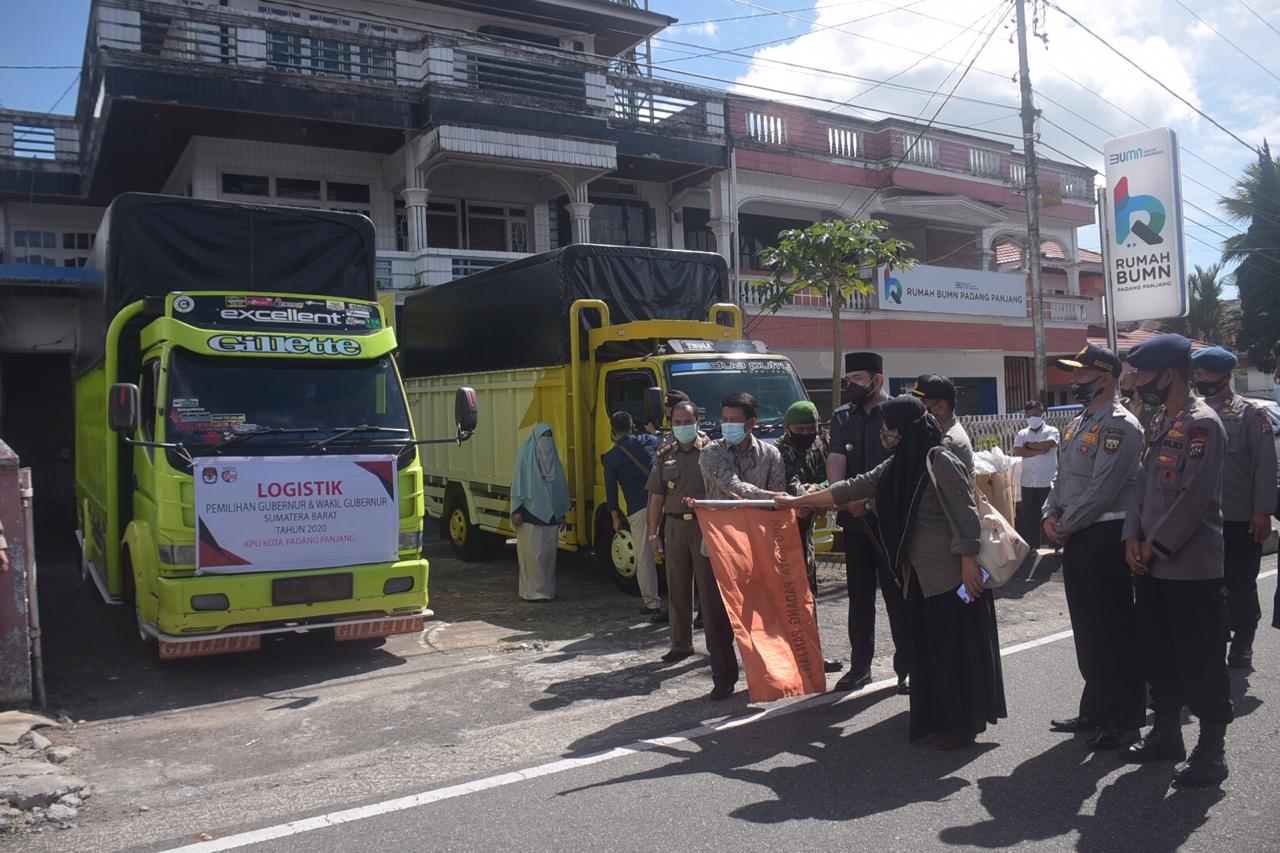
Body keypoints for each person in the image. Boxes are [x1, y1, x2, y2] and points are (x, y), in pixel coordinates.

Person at [779, 395, 1007, 750]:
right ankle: (940, 719)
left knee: (954, 652)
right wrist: (796, 501)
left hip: (952, 576)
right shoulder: (898, 463)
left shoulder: (939, 459)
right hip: (919, 576)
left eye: (889, 429)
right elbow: (851, 488)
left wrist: (967, 566)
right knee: (931, 651)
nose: (884, 434)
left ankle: (963, 725)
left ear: (906, 429)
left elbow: (966, 516)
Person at [1122, 333, 1232, 788]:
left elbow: (1193, 497)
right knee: (1158, 651)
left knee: (1201, 657)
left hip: (1189, 564)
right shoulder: (1157, 422)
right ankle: (1167, 732)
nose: (1138, 383)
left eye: (1144, 375)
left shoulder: (1203, 424)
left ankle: (1212, 749)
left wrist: (1155, 544)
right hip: (1150, 562)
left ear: (1169, 374)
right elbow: (1140, 484)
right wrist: (1131, 536)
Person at [1041, 343, 1146, 751]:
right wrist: (1049, 515)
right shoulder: (1078, 422)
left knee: (1115, 632)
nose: (1074, 381)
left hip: (1105, 535)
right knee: (1088, 630)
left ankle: (1125, 722)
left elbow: (1104, 488)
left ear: (1105, 379)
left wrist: (1065, 524)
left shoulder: (1121, 425)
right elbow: (1061, 479)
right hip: (1078, 535)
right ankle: (1096, 710)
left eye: (1082, 375)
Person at [696, 392, 787, 700]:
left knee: (760, 614)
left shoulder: (771, 454)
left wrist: (782, 499)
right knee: (717, 618)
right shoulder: (710, 453)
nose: (727, 425)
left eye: (734, 420)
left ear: (751, 423)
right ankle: (723, 678)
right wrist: (775, 499)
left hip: (757, 547)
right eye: (724, 419)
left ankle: (764, 674)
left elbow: (779, 491)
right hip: (718, 547)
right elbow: (733, 488)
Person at [828, 351, 908, 694]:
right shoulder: (842, 417)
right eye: (849, 380)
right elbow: (835, 459)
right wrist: (844, 499)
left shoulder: (898, 413)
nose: (852, 386)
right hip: (855, 523)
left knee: (898, 598)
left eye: (858, 379)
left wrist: (870, 502)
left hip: (890, 521)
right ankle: (860, 668)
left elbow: (905, 467)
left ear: (878, 379)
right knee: (859, 599)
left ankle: (908, 668)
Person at [1192, 346, 1277, 668]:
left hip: (1239, 516)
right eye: (1198, 374)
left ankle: (1243, 640)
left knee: (1240, 582)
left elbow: (1264, 466)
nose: (1200, 380)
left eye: (1206, 374)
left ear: (1225, 376)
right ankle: (1212, 638)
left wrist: (1263, 512)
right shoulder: (1194, 413)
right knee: (1205, 583)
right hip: (1200, 518)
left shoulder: (1251, 414)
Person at [775, 399, 842, 674]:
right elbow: (787, 485)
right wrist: (813, 494)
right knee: (784, 596)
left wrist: (815, 491)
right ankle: (785, 658)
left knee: (808, 594)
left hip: (806, 531)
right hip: (780, 533)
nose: (806, 435)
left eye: (811, 428)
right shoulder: (777, 451)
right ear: (787, 427)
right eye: (800, 430)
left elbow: (830, 477)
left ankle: (811, 655)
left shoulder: (820, 444)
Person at [646, 401, 709, 666]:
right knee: (677, 589)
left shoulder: (713, 452)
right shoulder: (664, 454)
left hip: (705, 526)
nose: (682, 427)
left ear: (698, 423)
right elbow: (657, 496)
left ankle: (718, 646)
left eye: (687, 422)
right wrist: (653, 534)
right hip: (674, 528)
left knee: (710, 591)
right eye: (677, 423)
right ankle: (681, 645)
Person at [602, 411, 663, 617]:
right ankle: (680, 601)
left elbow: (611, 492)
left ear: (612, 430)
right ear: (632, 427)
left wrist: (615, 517)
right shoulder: (651, 441)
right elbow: (662, 440)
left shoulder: (611, 458)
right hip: (664, 503)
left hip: (639, 509)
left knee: (645, 557)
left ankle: (652, 603)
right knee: (674, 555)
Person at [511, 423, 571, 602]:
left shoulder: (554, 460)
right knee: (532, 556)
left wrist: (560, 512)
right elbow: (518, 484)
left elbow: (559, 488)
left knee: (547, 556)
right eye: (543, 437)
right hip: (529, 514)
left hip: (551, 516)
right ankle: (531, 593)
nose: (547, 441)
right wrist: (517, 509)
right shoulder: (525, 456)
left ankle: (547, 591)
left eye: (549, 436)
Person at [1013, 401, 1059, 551]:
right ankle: (1033, 548)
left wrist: (1029, 446)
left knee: (1050, 516)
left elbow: (1049, 444)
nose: (1033, 418)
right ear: (1025, 416)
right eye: (1029, 415)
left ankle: (1054, 547)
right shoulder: (1022, 433)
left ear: (1042, 414)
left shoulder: (1051, 431)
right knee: (1030, 517)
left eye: (1036, 414)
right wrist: (1038, 450)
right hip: (1028, 483)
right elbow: (1018, 451)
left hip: (1047, 482)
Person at [912, 374, 974, 475]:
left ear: (940, 407)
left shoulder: (948, 441)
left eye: (922, 405)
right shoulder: (939, 432)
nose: (918, 410)